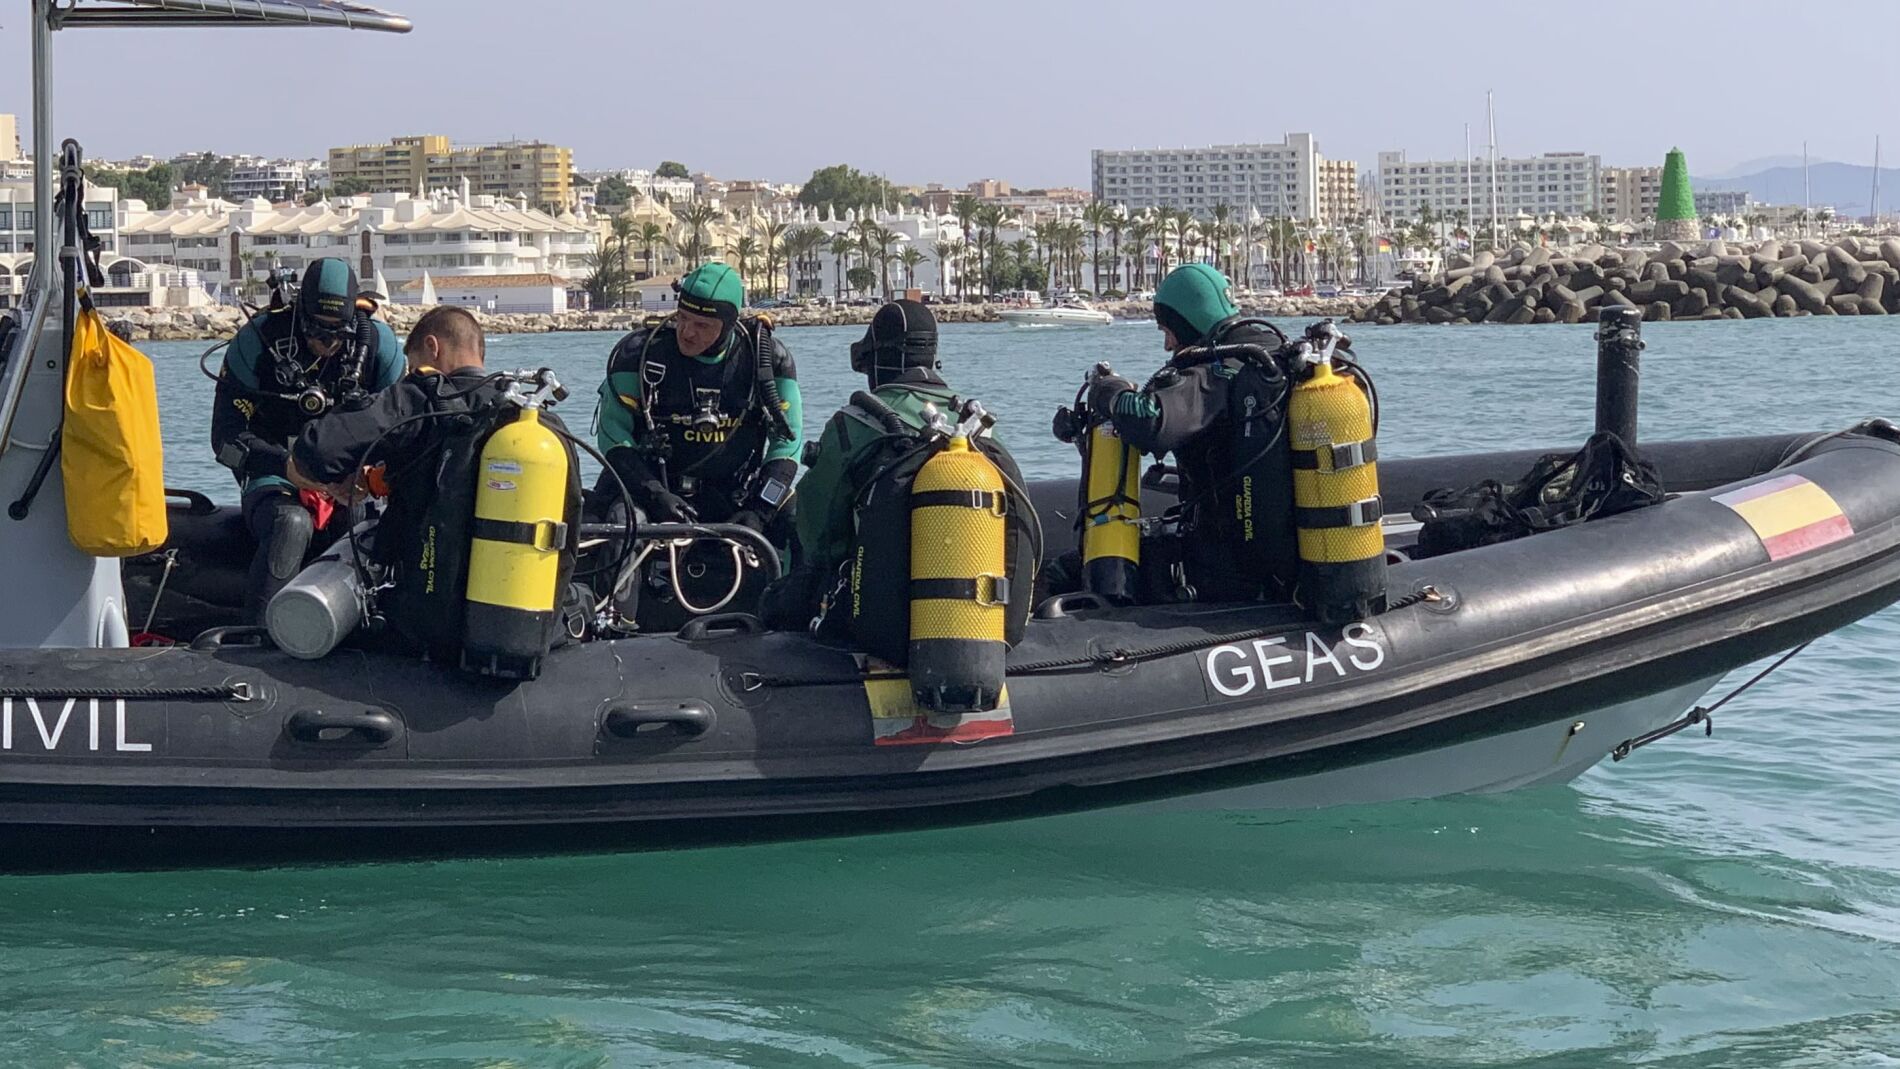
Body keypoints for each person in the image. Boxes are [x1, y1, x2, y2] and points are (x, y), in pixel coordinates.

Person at [285, 305, 581, 660]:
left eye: (412, 366)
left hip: (426, 627)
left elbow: (315, 451)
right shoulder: (536, 421)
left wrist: (333, 485)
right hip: (526, 625)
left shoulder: (420, 398)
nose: (409, 375)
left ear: (432, 347)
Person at [764, 298, 1030, 633]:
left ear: (874, 358)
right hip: (979, 619)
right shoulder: (980, 426)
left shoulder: (855, 422)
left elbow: (816, 530)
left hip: (878, 615)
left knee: (775, 597)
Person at [1077, 263, 1297, 601]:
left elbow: (1149, 421)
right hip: (1290, 562)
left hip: (1232, 572)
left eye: (1168, 331)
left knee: (1075, 573)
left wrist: (1108, 390)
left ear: (1189, 321)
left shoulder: (1220, 371)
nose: (1168, 345)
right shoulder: (1275, 355)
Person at [211, 257, 403, 620]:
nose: (326, 343)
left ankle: (356, 630)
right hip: (276, 474)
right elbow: (224, 439)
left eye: (337, 332)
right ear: (299, 314)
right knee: (290, 524)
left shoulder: (379, 347)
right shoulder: (259, 340)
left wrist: (367, 475)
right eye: (316, 330)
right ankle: (262, 635)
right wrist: (285, 466)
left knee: (360, 522)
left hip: (350, 480)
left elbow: (403, 434)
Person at [594, 262, 801, 537]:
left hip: (733, 494)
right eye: (682, 317)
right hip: (648, 490)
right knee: (625, 522)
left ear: (728, 325)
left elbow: (788, 444)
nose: (687, 332)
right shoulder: (639, 355)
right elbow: (612, 434)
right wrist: (654, 493)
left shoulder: (768, 361)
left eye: (702, 325)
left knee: (798, 518)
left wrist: (760, 512)